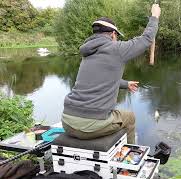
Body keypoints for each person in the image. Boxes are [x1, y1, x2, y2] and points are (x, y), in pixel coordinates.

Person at [61, 4, 161, 144]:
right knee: (130, 117)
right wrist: (155, 16)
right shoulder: (116, 49)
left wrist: (126, 84)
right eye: (117, 36)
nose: (117, 39)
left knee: (115, 115)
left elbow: (100, 79)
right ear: (113, 34)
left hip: (67, 121)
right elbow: (146, 40)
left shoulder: (88, 53)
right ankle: (130, 159)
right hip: (90, 126)